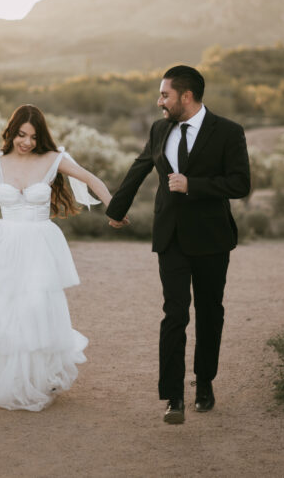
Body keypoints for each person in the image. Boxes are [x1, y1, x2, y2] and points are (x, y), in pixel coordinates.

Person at [0, 104, 114, 411]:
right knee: (9, 313)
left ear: (40, 136)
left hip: (38, 244)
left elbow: (91, 179)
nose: (27, 142)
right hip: (4, 243)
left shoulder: (53, 158)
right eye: (21, 134)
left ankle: (41, 377)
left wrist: (114, 208)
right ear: (11, 132)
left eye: (33, 136)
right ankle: (15, 382)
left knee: (35, 308)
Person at [106, 65, 250, 424]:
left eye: (165, 95)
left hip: (212, 239)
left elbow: (240, 184)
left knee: (209, 312)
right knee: (175, 314)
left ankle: (204, 383)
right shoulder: (160, 129)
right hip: (170, 236)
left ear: (186, 96)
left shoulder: (228, 132)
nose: (159, 102)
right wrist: (116, 209)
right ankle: (173, 396)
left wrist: (194, 185)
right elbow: (140, 167)